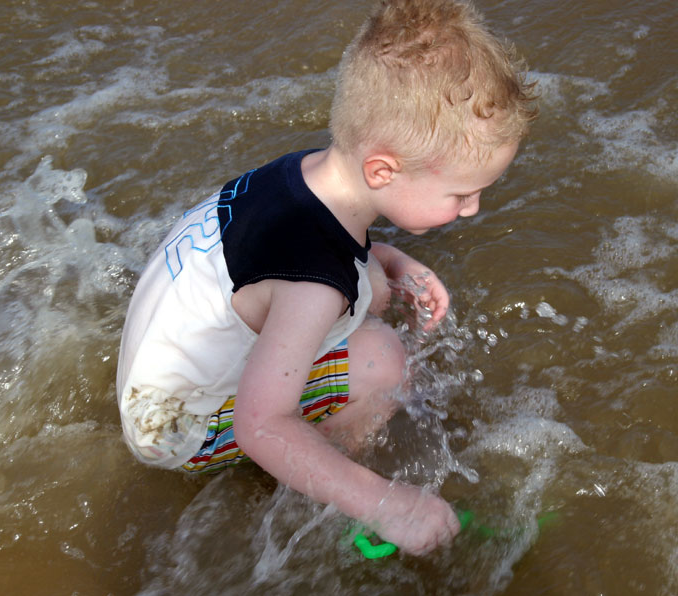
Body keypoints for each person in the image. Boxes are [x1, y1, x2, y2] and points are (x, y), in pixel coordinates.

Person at [116, 0, 537, 556]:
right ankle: (334, 497)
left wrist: (388, 261)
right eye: (460, 194)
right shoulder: (314, 284)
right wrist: (387, 503)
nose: (471, 209)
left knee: (369, 295)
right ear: (382, 170)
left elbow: (303, 263)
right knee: (382, 360)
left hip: (157, 371)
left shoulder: (304, 175)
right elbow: (259, 425)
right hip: (174, 430)